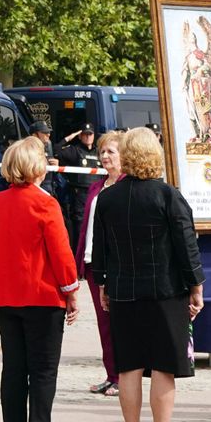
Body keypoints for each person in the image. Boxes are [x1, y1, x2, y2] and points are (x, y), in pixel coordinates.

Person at [90, 127, 205, 422]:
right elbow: (186, 246)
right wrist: (196, 286)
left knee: (128, 367)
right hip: (165, 292)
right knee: (163, 367)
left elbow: (101, 247)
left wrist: (102, 283)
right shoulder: (168, 195)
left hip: (124, 291)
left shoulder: (107, 197)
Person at [0, 137, 81, 422]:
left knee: (13, 369)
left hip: (6, 295)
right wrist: (71, 290)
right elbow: (61, 253)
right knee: (42, 371)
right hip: (42, 295)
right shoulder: (45, 203)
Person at [75, 130, 124, 396]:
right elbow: (87, 227)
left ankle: (123, 376)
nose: (104, 156)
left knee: (119, 323)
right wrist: (82, 259)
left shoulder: (127, 185)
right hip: (95, 263)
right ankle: (111, 373)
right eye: (102, 152)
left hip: (118, 265)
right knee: (104, 322)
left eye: (110, 152)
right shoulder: (97, 186)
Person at [55, 124, 99, 241]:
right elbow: (57, 149)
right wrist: (71, 136)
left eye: (90, 134)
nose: (88, 137)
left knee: (96, 224)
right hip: (80, 194)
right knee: (80, 227)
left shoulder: (99, 152)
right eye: (85, 134)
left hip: (96, 193)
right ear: (80, 136)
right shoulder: (75, 150)